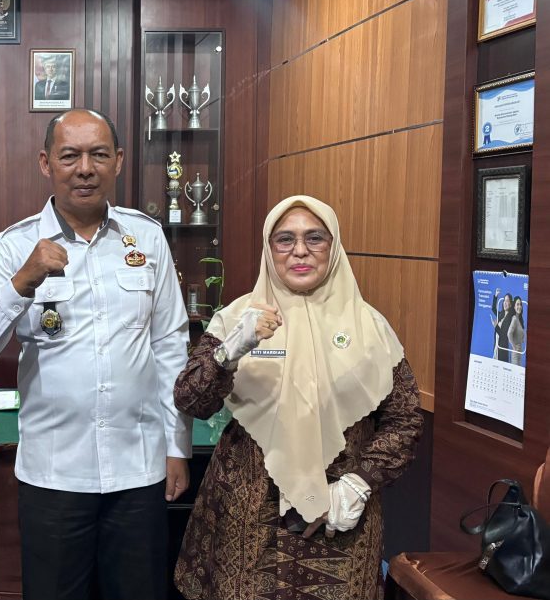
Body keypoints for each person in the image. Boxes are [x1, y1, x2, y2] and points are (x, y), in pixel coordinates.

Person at [0, 108, 192, 600]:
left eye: (98, 155)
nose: (85, 168)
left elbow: (170, 345)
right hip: (54, 476)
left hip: (138, 469)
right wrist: (21, 283)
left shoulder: (147, 237)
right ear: (46, 163)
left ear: (118, 161)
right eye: (70, 156)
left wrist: (178, 446)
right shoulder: (13, 245)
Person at [173, 195, 423, 600]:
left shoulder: (370, 327)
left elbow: (405, 418)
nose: (300, 251)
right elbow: (191, 400)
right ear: (269, 250)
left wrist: (359, 483)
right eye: (285, 239)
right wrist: (230, 351)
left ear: (333, 247)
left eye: (315, 238)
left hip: (338, 521)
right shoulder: (237, 318)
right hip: (247, 516)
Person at [492, 289, 515, 362]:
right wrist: (496, 296)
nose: (505, 302)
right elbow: (493, 309)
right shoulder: (501, 314)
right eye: (504, 300)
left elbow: (504, 335)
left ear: (510, 304)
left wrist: (496, 326)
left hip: (502, 348)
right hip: (496, 346)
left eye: (507, 301)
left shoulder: (511, 319)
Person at [508, 296, 526, 366]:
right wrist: (514, 347)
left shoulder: (519, 319)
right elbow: (509, 333)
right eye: (517, 304)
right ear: (514, 307)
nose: (519, 306)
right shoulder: (514, 319)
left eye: (520, 304)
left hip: (519, 352)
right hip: (515, 353)